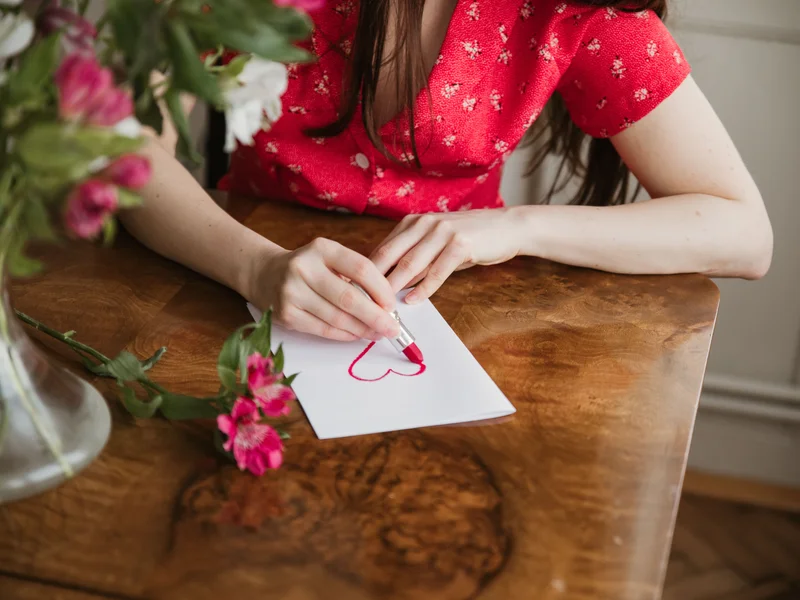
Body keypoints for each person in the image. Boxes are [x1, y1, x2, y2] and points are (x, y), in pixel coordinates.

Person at [124, 0, 773, 344]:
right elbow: (120, 149)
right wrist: (256, 268)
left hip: (460, 319)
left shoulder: (578, 9)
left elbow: (744, 234)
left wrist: (518, 228)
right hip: (229, 284)